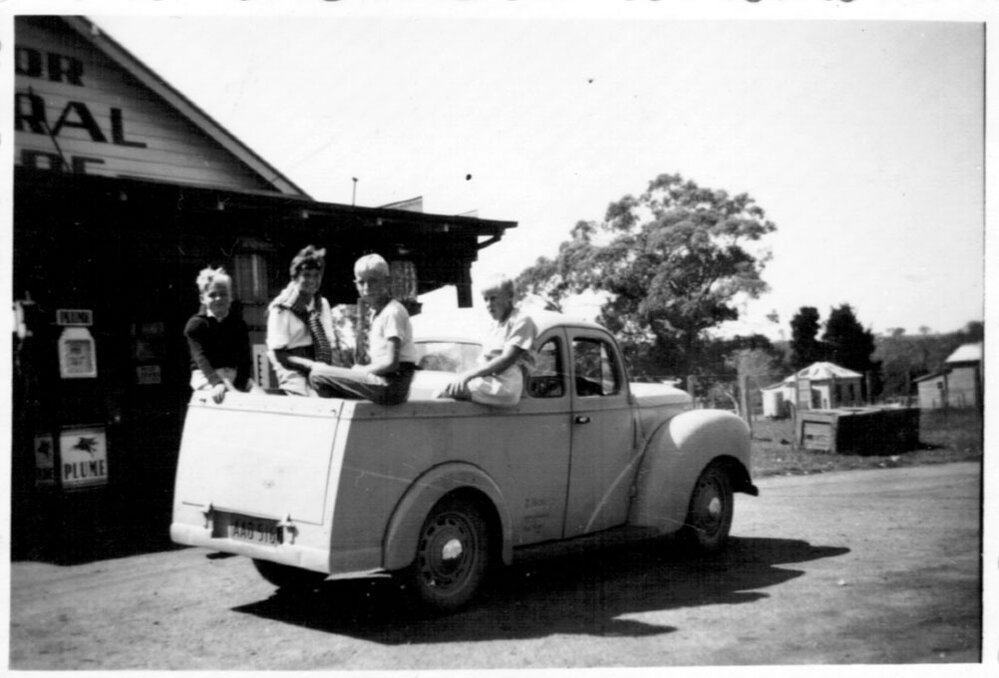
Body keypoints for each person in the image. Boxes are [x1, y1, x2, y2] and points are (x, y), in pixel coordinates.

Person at [307, 254, 417, 405]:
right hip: (385, 382)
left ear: (388, 282)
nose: (366, 288)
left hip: (392, 384)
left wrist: (361, 371)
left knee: (318, 374)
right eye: (361, 282)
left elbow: (392, 363)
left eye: (373, 281)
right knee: (327, 376)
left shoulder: (392, 312)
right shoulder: (377, 313)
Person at [437, 273, 536, 407]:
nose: (489, 304)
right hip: (489, 380)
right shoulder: (493, 327)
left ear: (510, 297)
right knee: (444, 388)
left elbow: (507, 358)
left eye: (494, 299)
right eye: (486, 299)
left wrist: (467, 376)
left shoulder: (521, 320)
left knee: (447, 391)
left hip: (505, 384)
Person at [266, 245, 345, 396]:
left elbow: (329, 343)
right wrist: (311, 365)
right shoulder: (281, 307)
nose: (312, 280)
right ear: (295, 277)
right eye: (306, 275)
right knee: (310, 399)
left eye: (316, 276)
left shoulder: (323, 304)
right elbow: (279, 355)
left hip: (319, 360)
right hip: (291, 364)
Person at [183, 266, 252, 403]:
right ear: (203, 298)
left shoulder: (239, 324)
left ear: (230, 297)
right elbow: (200, 358)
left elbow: (245, 359)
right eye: (212, 295)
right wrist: (217, 383)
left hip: (233, 375)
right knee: (224, 399)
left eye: (224, 294)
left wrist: (240, 385)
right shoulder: (196, 324)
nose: (219, 298)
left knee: (260, 398)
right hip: (206, 375)